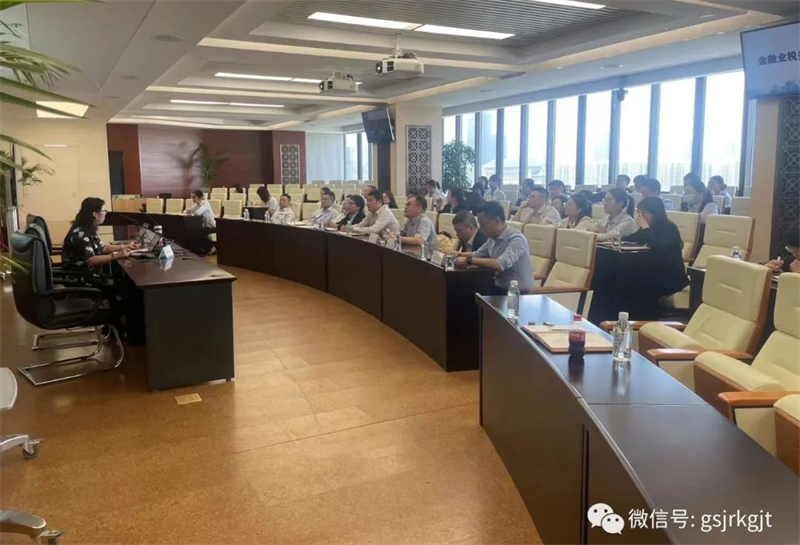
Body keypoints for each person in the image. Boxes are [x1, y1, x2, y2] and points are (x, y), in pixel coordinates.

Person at [622, 197, 689, 318]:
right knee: (625, 278)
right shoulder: (649, 227)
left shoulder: (669, 228)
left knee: (634, 283)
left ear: (655, 212)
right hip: (653, 272)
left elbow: (657, 246)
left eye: (644, 213)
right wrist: (617, 238)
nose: (641, 216)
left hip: (670, 277)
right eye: (639, 213)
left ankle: (644, 317)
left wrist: (646, 228)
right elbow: (634, 238)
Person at [457, 201, 535, 293]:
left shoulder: (516, 239)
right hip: (498, 287)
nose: (481, 229)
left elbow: (499, 264)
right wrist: (457, 254)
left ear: (497, 221)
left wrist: (468, 260)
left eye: (483, 225)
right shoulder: (492, 238)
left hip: (517, 293)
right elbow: (477, 254)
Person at [62, 197, 139, 270]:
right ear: (95, 214)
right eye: (104, 211)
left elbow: (103, 248)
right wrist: (116, 255)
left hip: (89, 271)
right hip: (80, 274)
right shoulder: (79, 234)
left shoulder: (88, 229)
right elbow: (90, 260)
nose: (106, 213)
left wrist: (126, 246)